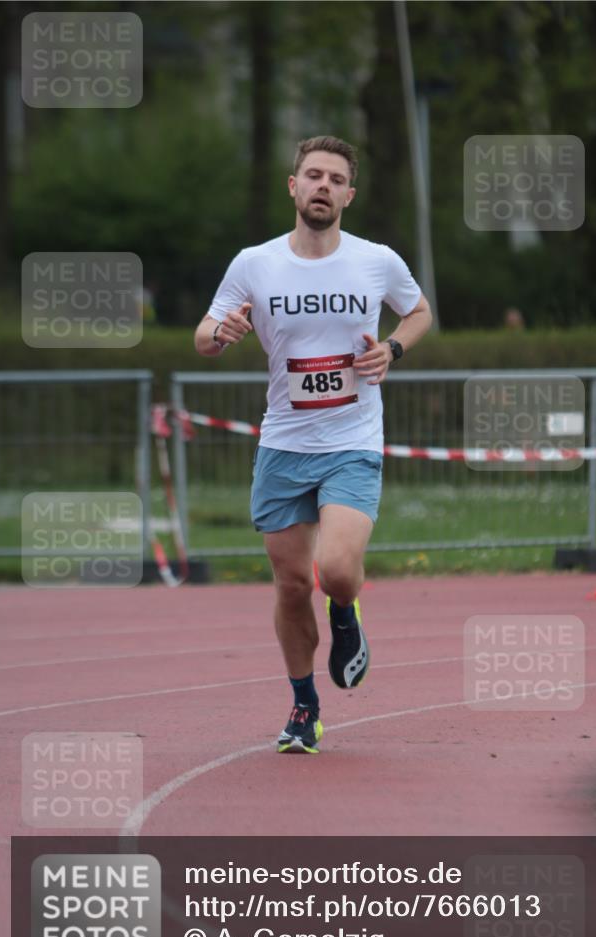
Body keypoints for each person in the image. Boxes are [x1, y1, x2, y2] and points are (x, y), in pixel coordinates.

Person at [195, 135, 432, 753]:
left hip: (354, 440)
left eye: (336, 179)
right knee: (293, 584)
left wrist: (393, 348)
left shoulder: (376, 260)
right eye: (314, 175)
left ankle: (346, 612)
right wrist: (222, 332)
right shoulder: (255, 263)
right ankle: (304, 706)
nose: (323, 185)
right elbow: (204, 335)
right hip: (284, 443)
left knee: (337, 572)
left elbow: (419, 312)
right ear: (293, 186)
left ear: (349, 195)